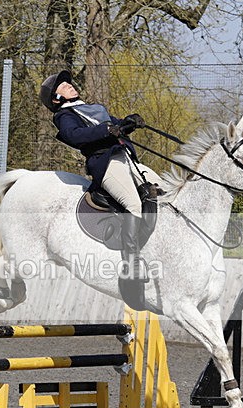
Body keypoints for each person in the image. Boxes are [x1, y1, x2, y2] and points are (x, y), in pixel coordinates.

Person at [39, 69, 149, 282]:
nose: (70, 85)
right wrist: (106, 131)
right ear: (56, 98)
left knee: (161, 189)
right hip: (106, 163)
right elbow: (74, 136)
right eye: (63, 86)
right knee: (133, 205)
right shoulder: (64, 116)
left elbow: (116, 125)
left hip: (127, 159)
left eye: (69, 83)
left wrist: (129, 122)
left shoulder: (93, 108)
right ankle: (132, 265)